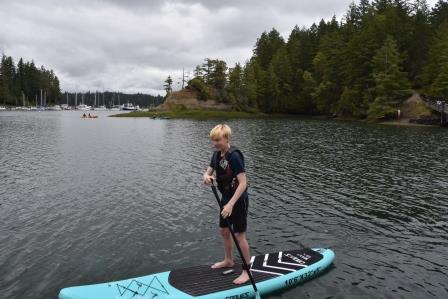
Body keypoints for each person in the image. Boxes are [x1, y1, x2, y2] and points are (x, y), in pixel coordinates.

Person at [203, 124, 251, 285]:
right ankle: (228, 260)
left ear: (226, 138)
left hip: (238, 200)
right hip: (226, 199)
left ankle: (246, 270)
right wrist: (206, 177)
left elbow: (243, 183)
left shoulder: (234, 156)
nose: (214, 143)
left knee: (239, 235)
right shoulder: (217, 155)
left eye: (217, 140)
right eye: (213, 140)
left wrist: (230, 205)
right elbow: (208, 172)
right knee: (224, 230)